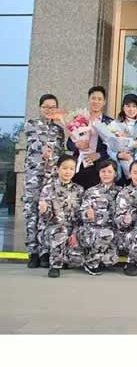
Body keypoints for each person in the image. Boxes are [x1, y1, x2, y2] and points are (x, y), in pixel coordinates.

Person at [24, 93, 65, 268]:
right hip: (34, 175)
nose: (49, 110)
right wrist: (44, 151)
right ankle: (33, 252)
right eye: (46, 107)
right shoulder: (31, 124)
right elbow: (34, 143)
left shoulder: (59, 131)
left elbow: (61, 153)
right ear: (40, 108)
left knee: (48, 213)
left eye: (53, 107)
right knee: (32, 212)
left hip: (51, 177)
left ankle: (45, 251)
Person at [38, 155, 84, 278]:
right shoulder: (48, 189)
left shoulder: (79, 190)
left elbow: (80, 217)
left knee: (78, 260)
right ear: (58, 169)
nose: (68, 171)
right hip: (52, 231)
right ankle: (55, 266)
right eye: (64, 168)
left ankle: (61, 255)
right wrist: (44, 210)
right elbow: (46, 219)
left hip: (71, 233)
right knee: (60, 231)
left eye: (71, 169)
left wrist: (75, 233)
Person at [73, 159, 121, 275]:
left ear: (115, 173)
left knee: (111, 259)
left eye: (109, 171)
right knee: (105, 234)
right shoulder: (91, 191)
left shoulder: (120, 192)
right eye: (103, 171)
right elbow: (81, 214)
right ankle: (91, 263)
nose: (106, 174)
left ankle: (91, 256)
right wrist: (87, 214)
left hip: (110, 234)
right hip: (90, 231)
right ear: (99, 173)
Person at [67, 86, 113, 189]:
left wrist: (99, 155)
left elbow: (114, 148)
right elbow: (69, 143)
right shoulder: (79, 119)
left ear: (104, 102)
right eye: (93, 98)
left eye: (99, 99)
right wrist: (76, 145)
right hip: (79, 165)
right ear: (89, 99)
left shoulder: (110, 123)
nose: (96, 101)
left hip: (100, 166)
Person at [108, 93, 137, 184]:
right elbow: (109, 147)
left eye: (134, 106)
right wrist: (118, 155)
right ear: (123, 107)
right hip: (120, 168)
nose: (131, 109)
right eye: (128, 106)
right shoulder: (114, 125)